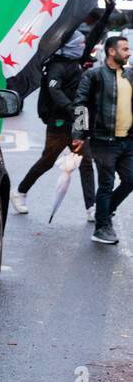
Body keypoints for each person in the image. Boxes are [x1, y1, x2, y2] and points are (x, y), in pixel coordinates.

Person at [11, 30, 96, 221]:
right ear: (71, 45)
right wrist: (71, 108)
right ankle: (19, 192)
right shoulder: (56, 67)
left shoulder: (76, 62)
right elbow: (54, 90)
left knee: (86, 162)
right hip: (59, 123)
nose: (83, 46)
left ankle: (92, 207)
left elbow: (93, 39)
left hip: (77, 121)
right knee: (47, 161)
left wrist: (107, 13)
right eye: (79, 43)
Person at [73, 34, 133, 245]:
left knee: (130, 179)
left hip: (128, 140)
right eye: (125, 49)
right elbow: (80, 104)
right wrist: (78, 135)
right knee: (106, 184)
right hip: (103, 140)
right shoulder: (94, 75)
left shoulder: (130, 75)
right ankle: (101, 228)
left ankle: (105, 211)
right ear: (111, 51)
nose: (128, 53)